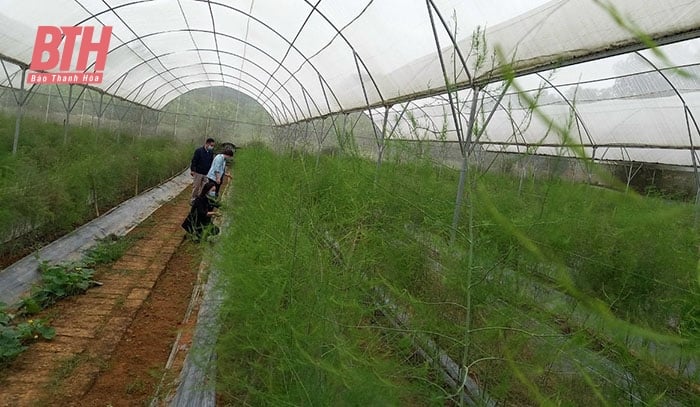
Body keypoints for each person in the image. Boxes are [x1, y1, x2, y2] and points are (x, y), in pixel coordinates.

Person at [189, 138, 216, 204]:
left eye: (213, 146)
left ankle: (200, 199)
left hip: (206, 173)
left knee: (204, 187)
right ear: (207, 144)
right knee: (196, 186)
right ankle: (193, 199)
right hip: (198, 172)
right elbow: (194, 161)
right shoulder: (199, 151)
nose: (211, 147)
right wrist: (192, 170)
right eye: (211, 145)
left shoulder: (210, 152)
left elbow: (211, 162)